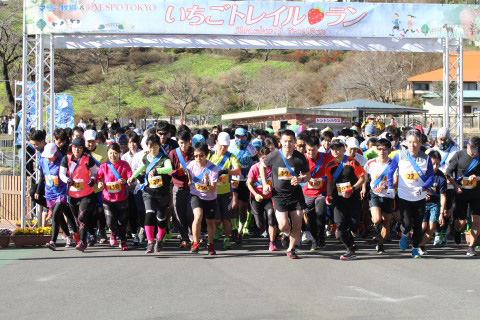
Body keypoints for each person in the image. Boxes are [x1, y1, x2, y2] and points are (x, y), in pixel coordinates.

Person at [260, 130, 310, 259]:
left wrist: (300, 179)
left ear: (294, 142)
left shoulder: (300, 157)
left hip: (295, 195)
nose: (288, 144)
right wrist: (265, 184)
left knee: (298, 223)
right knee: (282, 225)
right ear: (280, 142)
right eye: (285, 141)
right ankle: (287, 234)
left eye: (290, 141)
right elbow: (262, 166)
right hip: (279, 195)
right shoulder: (274, 155)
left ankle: (291, 249)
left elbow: (308, 175)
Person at [387, 130, 434, 258]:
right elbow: (390, 172)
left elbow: (431, 177)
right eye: (410, 142)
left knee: (418, 225)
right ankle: (404, 234)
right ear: (406, 143)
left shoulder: (426, 158)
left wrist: (423, 187)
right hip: (404, 196)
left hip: (419, 197)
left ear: (420, 143)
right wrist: (390, 187)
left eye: (415, 142)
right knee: (407, 223)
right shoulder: (400, 155)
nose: (412, 145)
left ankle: (414, 248)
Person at [127, 135, 173, 254]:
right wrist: (132, 177)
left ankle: (160, 239)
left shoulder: (164, 159)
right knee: (149, 213)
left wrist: (158, 170)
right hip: (148, 192)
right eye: (151, 147)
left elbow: (169, 169)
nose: (153, 150)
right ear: (147, 147)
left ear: (159, 147)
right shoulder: (146, 158)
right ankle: (150, 242)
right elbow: (140, 168)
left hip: (162, 193)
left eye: (156, 147)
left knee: (161, 219)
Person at [325, 138, 366, 260]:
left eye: (338, 148)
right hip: (338, 200)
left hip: (353, 199)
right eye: (333, 149)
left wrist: (352, 189)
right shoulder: (329, 165)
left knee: (354, 224)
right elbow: (330, 182)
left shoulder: (353, 162)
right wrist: (328, 195)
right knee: (340, 225)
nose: (336, 151)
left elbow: (363, 178)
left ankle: (354, 232)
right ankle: (350, 249)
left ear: (344, 149)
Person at [59, 138, 98, 252]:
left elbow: (95, 172)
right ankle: (84, 239)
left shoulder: (88, 159)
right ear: (72, 147)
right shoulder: (66, 159)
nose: (77, 150)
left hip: (86, 193)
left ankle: (82, 242)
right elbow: (61, 174)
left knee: (82, 217)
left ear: (82, 148)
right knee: (78, 220)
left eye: (80, 147)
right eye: (75, 147)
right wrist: (67, 180)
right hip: (72, 194)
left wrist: (92, 179)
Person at [39, 143, 78, 250]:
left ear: (56, 153)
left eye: (50, 155)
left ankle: (53, 241)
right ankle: (72, 236)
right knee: (62, 216)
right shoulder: (42, 162)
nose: (48, 157)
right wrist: (38, 190)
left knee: (55, 215)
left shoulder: (62, 161)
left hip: (61, 193)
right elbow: (42, 176)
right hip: (49, 193)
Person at [446, 136, 480, 257]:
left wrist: (477, 178)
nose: (475, 151)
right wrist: (455, 186)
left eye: (477, 149)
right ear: (468, 146)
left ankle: (471, 247)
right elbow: (448, 173)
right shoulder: (458, 155)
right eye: (473, 148)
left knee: (476, 221)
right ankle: (456, 230)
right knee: (462, 222)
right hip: (461, 193)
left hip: (477, 194)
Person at [207, 132, 241, 250]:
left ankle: (227, 240)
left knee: (226, 218)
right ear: (216, 143)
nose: (223, 148)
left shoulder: (231, 156)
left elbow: (237, 170)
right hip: (212, 192)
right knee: (216, 219)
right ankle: (216, 230)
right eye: (221, 145)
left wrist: (227, 171)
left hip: (226, 193)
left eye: (226, 146)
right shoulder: (210, 155)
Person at [97, 143, 132, 251]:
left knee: (122, 221)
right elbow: (99, 178)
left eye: (115, 153)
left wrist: (125, 180)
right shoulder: (104, 166)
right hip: (107, 198)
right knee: (110, 221)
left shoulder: (125, 164)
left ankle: (123, 241)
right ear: (107, 154)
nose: (113, 155)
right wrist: (100, 183)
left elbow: (130, 176)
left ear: (119, 153)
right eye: (111, 153)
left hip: (122, 197)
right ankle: (112, 233)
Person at [428, 127, 458, 247]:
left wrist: (454, 180)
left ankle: (444, 233)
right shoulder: (432, 151)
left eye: (445, 139)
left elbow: (458, 169)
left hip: (449, 186)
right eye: (440, 139)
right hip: (434, 185)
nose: (442, 141)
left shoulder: (455, 151)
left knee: (446, 212)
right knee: (435, 210)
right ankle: (437, 233)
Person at [364, 138, 395, 254]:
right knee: (376, 219)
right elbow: (364, 176)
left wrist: (386, 186)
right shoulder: (370, 163)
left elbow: (396, 180)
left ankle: (380, 244)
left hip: (388, 195)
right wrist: (363, 188)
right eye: (379, 149)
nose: (382, 151)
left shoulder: (393, 163)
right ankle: (375, 226)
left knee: (387, 221)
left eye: (384, 149)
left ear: (389, 150)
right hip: (374, 193)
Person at [187, 142, 219, 255]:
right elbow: (188, 175)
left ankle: (210, 244)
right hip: (196, 195)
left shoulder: (213, 168)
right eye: (196, 156)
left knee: (210, 222)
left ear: (206, 155)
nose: (198, 158)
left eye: (201, 155)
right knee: (198, 215)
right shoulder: (191, 165)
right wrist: (189, 180)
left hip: (210, 198)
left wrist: (207, 183)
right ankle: (195, 242)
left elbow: (212, 189)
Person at [228, 127, 257, 243]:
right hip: (233, 179)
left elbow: (255, 163)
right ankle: (234, 228)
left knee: (243, 207)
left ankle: (241, 228)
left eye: (242, 136)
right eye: (237, 136)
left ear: (246, 136)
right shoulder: (230, 145)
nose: (239, 139)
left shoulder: (251, 148)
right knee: (234, 204)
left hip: (246, 180)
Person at [247, 147, 278, 251]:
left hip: (269, 198)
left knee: (271, 218)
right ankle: (263, 228)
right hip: (256, 198)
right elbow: (249, 183)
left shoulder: (273, 168)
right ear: (259, 158)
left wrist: (272, 187)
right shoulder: (254, 168)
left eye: (267, 158)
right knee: (259, 223)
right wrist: (255, 194)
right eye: (262, 158)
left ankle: (272, 242)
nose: (265, 161)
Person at [303, 136, 331, 251]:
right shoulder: (303, 159)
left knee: (320, 213)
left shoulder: (327, 158)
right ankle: (315, 239)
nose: (310, 152)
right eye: (308, 150)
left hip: (322, 192)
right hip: (307, 192)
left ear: (318, 147)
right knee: (310, 218)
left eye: (313, 150)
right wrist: (307, 179)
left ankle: (321, 235)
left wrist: (323, 182)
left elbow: (331, 175)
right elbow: (297, 176)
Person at [169, 130, 194, 248]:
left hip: (193, 188)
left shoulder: (195, 153)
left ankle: (193, 235)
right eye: (181, 143)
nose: (183, 146)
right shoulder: (173, 153)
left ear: (190, 142)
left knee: (191, 214)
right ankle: (184, 238)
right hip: (178, 187)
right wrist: (179, 171)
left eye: (186, 143)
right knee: (178, 214)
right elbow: (169, 171)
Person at [419, 150, 447, 256]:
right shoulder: (421, 172)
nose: (435, 167)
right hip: (422, 202)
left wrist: (441, 213)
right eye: (433, 163)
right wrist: (422, 194)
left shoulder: (441, 177)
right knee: (423, 225)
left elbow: (443, 196)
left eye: (438, 164)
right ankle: (415, 240)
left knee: (431, 226)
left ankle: (422, 245)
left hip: (434, 203)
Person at [84, 129, 109, 245]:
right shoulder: (81, 151)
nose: (90, 144)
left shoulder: (104, 149)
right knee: (88, 212)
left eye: (92, 141)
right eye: (88, 142)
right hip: (86, 188)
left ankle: (102, 230)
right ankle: (91, 234)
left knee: (100, 211)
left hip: (100, 187)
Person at [121, 133, 143, 246]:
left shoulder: (143, 154)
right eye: (130, 142)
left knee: (141, 210)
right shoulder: (124, 157)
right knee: (131, 211)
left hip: (140, 187)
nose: (132, 144)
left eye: (134, 142)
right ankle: (134, 232)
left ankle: (142, 230)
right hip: (128, 189)